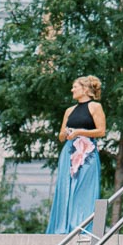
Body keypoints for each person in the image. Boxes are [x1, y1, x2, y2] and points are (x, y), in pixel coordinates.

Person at [45, 76, 106, 235]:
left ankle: (81, 227)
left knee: (83, 188)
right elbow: (60, 136)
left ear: (85, 89)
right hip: (69, 151)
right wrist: (65, 134)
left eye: (75, 87)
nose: (72, 90)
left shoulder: (95, 106)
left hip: (87, 152)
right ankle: (62, 228)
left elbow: (101, 131)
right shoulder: (69, 111)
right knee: (65, 188)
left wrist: (79, 132)